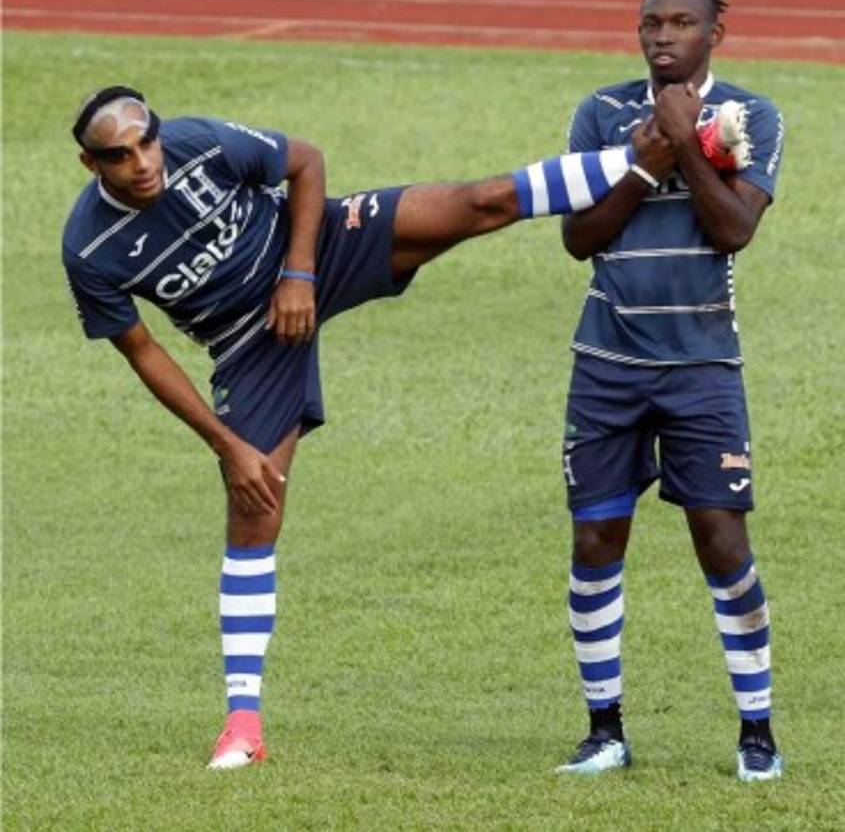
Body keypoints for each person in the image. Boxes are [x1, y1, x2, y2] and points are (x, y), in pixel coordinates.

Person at [62, 85, 741, 771]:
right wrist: (228, 445)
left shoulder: (196, 143)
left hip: (318, 248)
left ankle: (664, 151)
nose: (145, 161)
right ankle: (243, 726)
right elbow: (144, 353)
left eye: (147, 140)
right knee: (253, 506)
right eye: (121, 155)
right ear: (94, 166)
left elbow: (305, 163)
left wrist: (298, 271)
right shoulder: (90, 251)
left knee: (482, 204)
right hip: (249, 340)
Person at [554, 0, 785, 782]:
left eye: (680, 23)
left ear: (714, 33)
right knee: (594, 537)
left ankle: (756, 730)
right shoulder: (600, 113)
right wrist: (648, 158)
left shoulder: (752, 116)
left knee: (720, 541)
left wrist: (686, 144)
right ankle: (603, 729)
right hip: (606, 364)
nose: (662, 36)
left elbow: (733, 230)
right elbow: (579, 239)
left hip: (700, 368)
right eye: (651, 22)